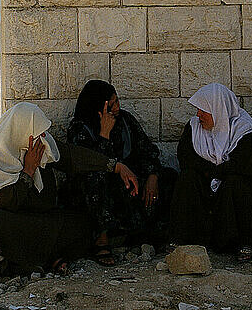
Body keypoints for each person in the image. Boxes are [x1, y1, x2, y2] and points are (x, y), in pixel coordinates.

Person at [0, 102, 139, 282]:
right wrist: (28, 171)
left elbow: (70, 156)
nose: (42, 136)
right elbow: (9, 203)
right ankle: (20, 261)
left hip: (30, 220)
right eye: (37, 131)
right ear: (21, 130)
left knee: (80, 225)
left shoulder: (39, 145)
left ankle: (30, 260)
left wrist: (115, 166)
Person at [66, 79, 175, 266]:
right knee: (95, 181)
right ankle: (102, 238)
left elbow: (147, 151)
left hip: (130, 183)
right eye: (112, 103)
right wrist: (104, 135)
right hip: (101, 187)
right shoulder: (80, 128)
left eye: (117, 102)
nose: (117, 107)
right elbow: (89, 164)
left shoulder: (125, 121)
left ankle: (153, 234)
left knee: (170, 177)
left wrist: (152, 176)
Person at [170, 83, 252, 260]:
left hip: (232, 185)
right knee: (187, 178)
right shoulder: (194, 127)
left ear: (218, 109)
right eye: (198, 109)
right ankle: (183, 240)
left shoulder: (244, 129)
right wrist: (212, 172)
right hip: (206, 181)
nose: (198, 115)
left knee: (236, 182)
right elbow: (186, 158)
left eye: (203, 110)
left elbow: (243, 165)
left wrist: (214, 172)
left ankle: (245, 243)